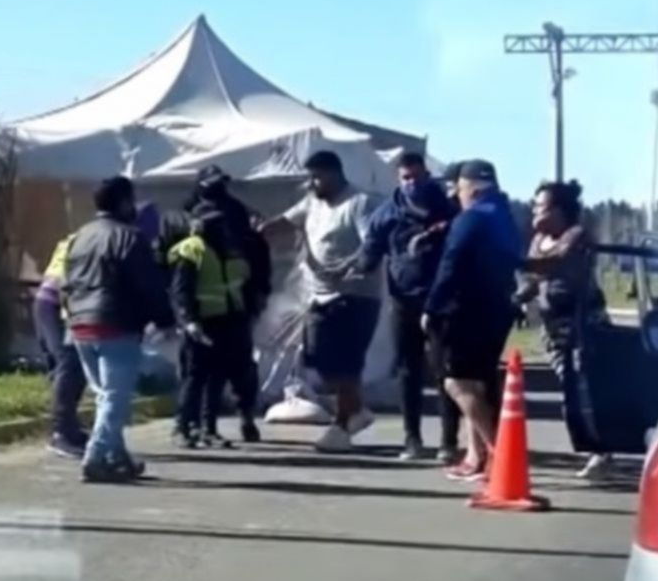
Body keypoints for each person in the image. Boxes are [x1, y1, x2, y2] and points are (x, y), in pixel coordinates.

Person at [259, 151, 382, 453]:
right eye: (310, 177)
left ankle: (341, 427)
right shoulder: (312, 202)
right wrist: (261, 228)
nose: (312, 183)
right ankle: (357, 410)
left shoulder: (358, 202)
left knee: (346, 364)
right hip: (319, 293)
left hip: (355, 295)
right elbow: (286, 221)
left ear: (334, 174)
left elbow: (371, 244)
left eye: (317, 177)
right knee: (319, 359)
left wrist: (348, 267)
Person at [62, 176, 175, 483]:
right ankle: (96, 456)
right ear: (124, 202)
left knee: (106, 398)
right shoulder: (130, 237)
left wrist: (72, 315)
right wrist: (165, 319)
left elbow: (67, 281)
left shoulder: (81, 236)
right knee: (115, 398)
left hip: (80, 325)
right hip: (115, 324)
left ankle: (116, 457)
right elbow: (149, 284)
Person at [351, 152, 460, 461]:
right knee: (407, 370)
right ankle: (412, 438)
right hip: (403, 299)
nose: (412, 183)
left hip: (439, 300)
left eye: (417, 177)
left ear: (427, 175)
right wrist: (361, 265)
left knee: (443, 370)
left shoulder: (447, 209)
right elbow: (371, 248)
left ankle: (449, 441)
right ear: (398, 179)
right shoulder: (388, 213)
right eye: (406, 178)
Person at [424, 160, 522, 482]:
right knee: (477, 383)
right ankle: (475, 455)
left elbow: (451, 263)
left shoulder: (471, 219)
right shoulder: (505, 217)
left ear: (473, 188)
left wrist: (433, 306)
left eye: (460, 189)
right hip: (497, 308)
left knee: (456, 382)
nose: (456, 195)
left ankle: (499, 454)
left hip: (465, 310)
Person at [518, 181, 613, 479]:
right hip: (553, 327)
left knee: (585, 389)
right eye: (534, 205)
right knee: (569, 388)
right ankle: (595, 446)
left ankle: (601, 450)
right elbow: (535, 279)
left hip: (583, 324)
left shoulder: (576, 235)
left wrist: (510, 258)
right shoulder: (538, 240)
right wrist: (518, 296)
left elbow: (552, 263)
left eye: (541, 206)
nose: (535, 211)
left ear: (559, 210)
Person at [185, 165, 272, 443]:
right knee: (202, 371)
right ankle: (199, 424)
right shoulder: (187, 214)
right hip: (202, 307)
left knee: (241, 367)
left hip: (237, 303)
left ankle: (245, 414)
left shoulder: (236, 210)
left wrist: (260, 290)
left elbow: (257, 249)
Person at [168, 208, 257, 449]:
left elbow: (244, 285)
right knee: (195, 377)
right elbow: (181, 290)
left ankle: (209, 429)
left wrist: (248, 316)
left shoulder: (231, 249)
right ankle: (183, 427)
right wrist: (188, 321)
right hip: (202, 323)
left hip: (229, 322)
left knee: (217, 378)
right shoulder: (192, 249)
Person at [32, 231, 89, 458]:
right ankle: (61, 433)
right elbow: (65, 281)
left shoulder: (76, 238)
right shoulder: (85, 242)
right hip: (56, 304)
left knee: (72, 368)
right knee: (69, 363)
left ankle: (70, 427)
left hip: (50, 302)